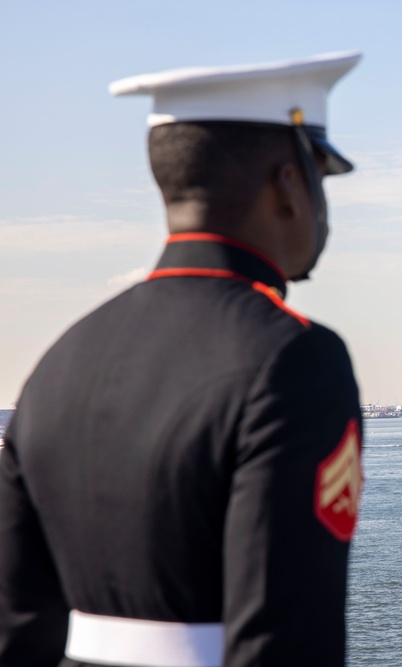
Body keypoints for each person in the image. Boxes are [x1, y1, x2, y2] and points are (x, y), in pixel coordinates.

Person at [0, 52, 364, 667]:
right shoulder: (295, 357)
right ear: (289, 183)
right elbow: (285, 642)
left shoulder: (62, 359)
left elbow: (14, 629)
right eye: (321, 178)